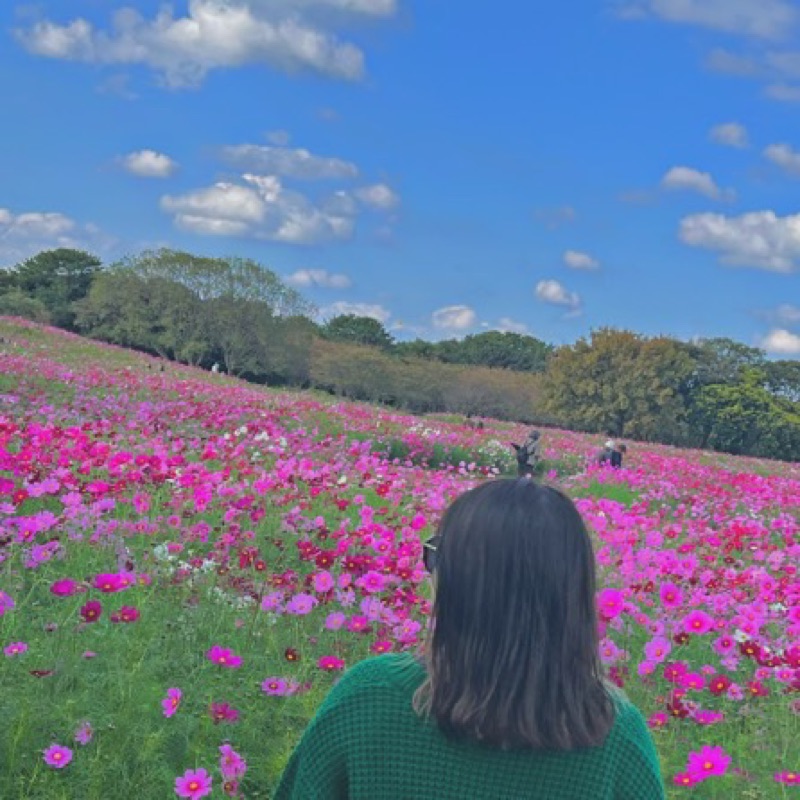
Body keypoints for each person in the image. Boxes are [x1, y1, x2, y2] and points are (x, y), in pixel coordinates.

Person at [274, 479, 665, 800]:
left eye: (435, 555)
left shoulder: (370, 697)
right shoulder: (614, 735)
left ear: (458, 586)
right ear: (573, 594)